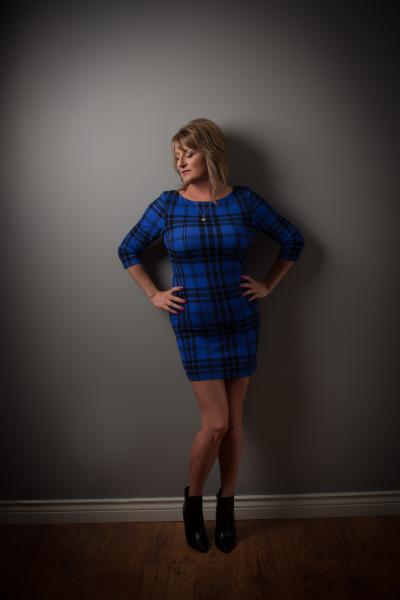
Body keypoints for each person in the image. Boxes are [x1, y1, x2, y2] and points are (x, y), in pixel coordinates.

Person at [117, 118, 305, 553]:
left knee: (234, 423)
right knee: (216, 423)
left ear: (211, 152)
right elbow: (127, 249)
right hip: (195, 326)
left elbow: (293, 240)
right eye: (175, 155)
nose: (180, 162)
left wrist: (268, 284)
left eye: (188, 152)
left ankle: (227, 505)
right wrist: (153, 294)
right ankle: (192, 502)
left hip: (241, 321)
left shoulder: (244, 201)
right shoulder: (167, 205)